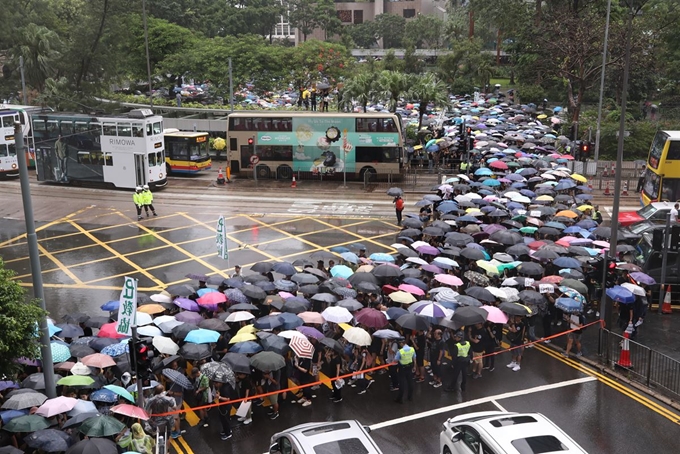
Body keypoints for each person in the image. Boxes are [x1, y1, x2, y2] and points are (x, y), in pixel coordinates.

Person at [393, 337, 415, 403]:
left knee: (402, 384)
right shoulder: (412, 349)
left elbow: (395, 360)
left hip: (402, 368)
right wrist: (415, 366)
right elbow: (414, 358)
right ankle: (410, 397)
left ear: (402, 343)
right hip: (410, 367)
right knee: (410, 382)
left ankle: (400, 399)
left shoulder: (400, 351)